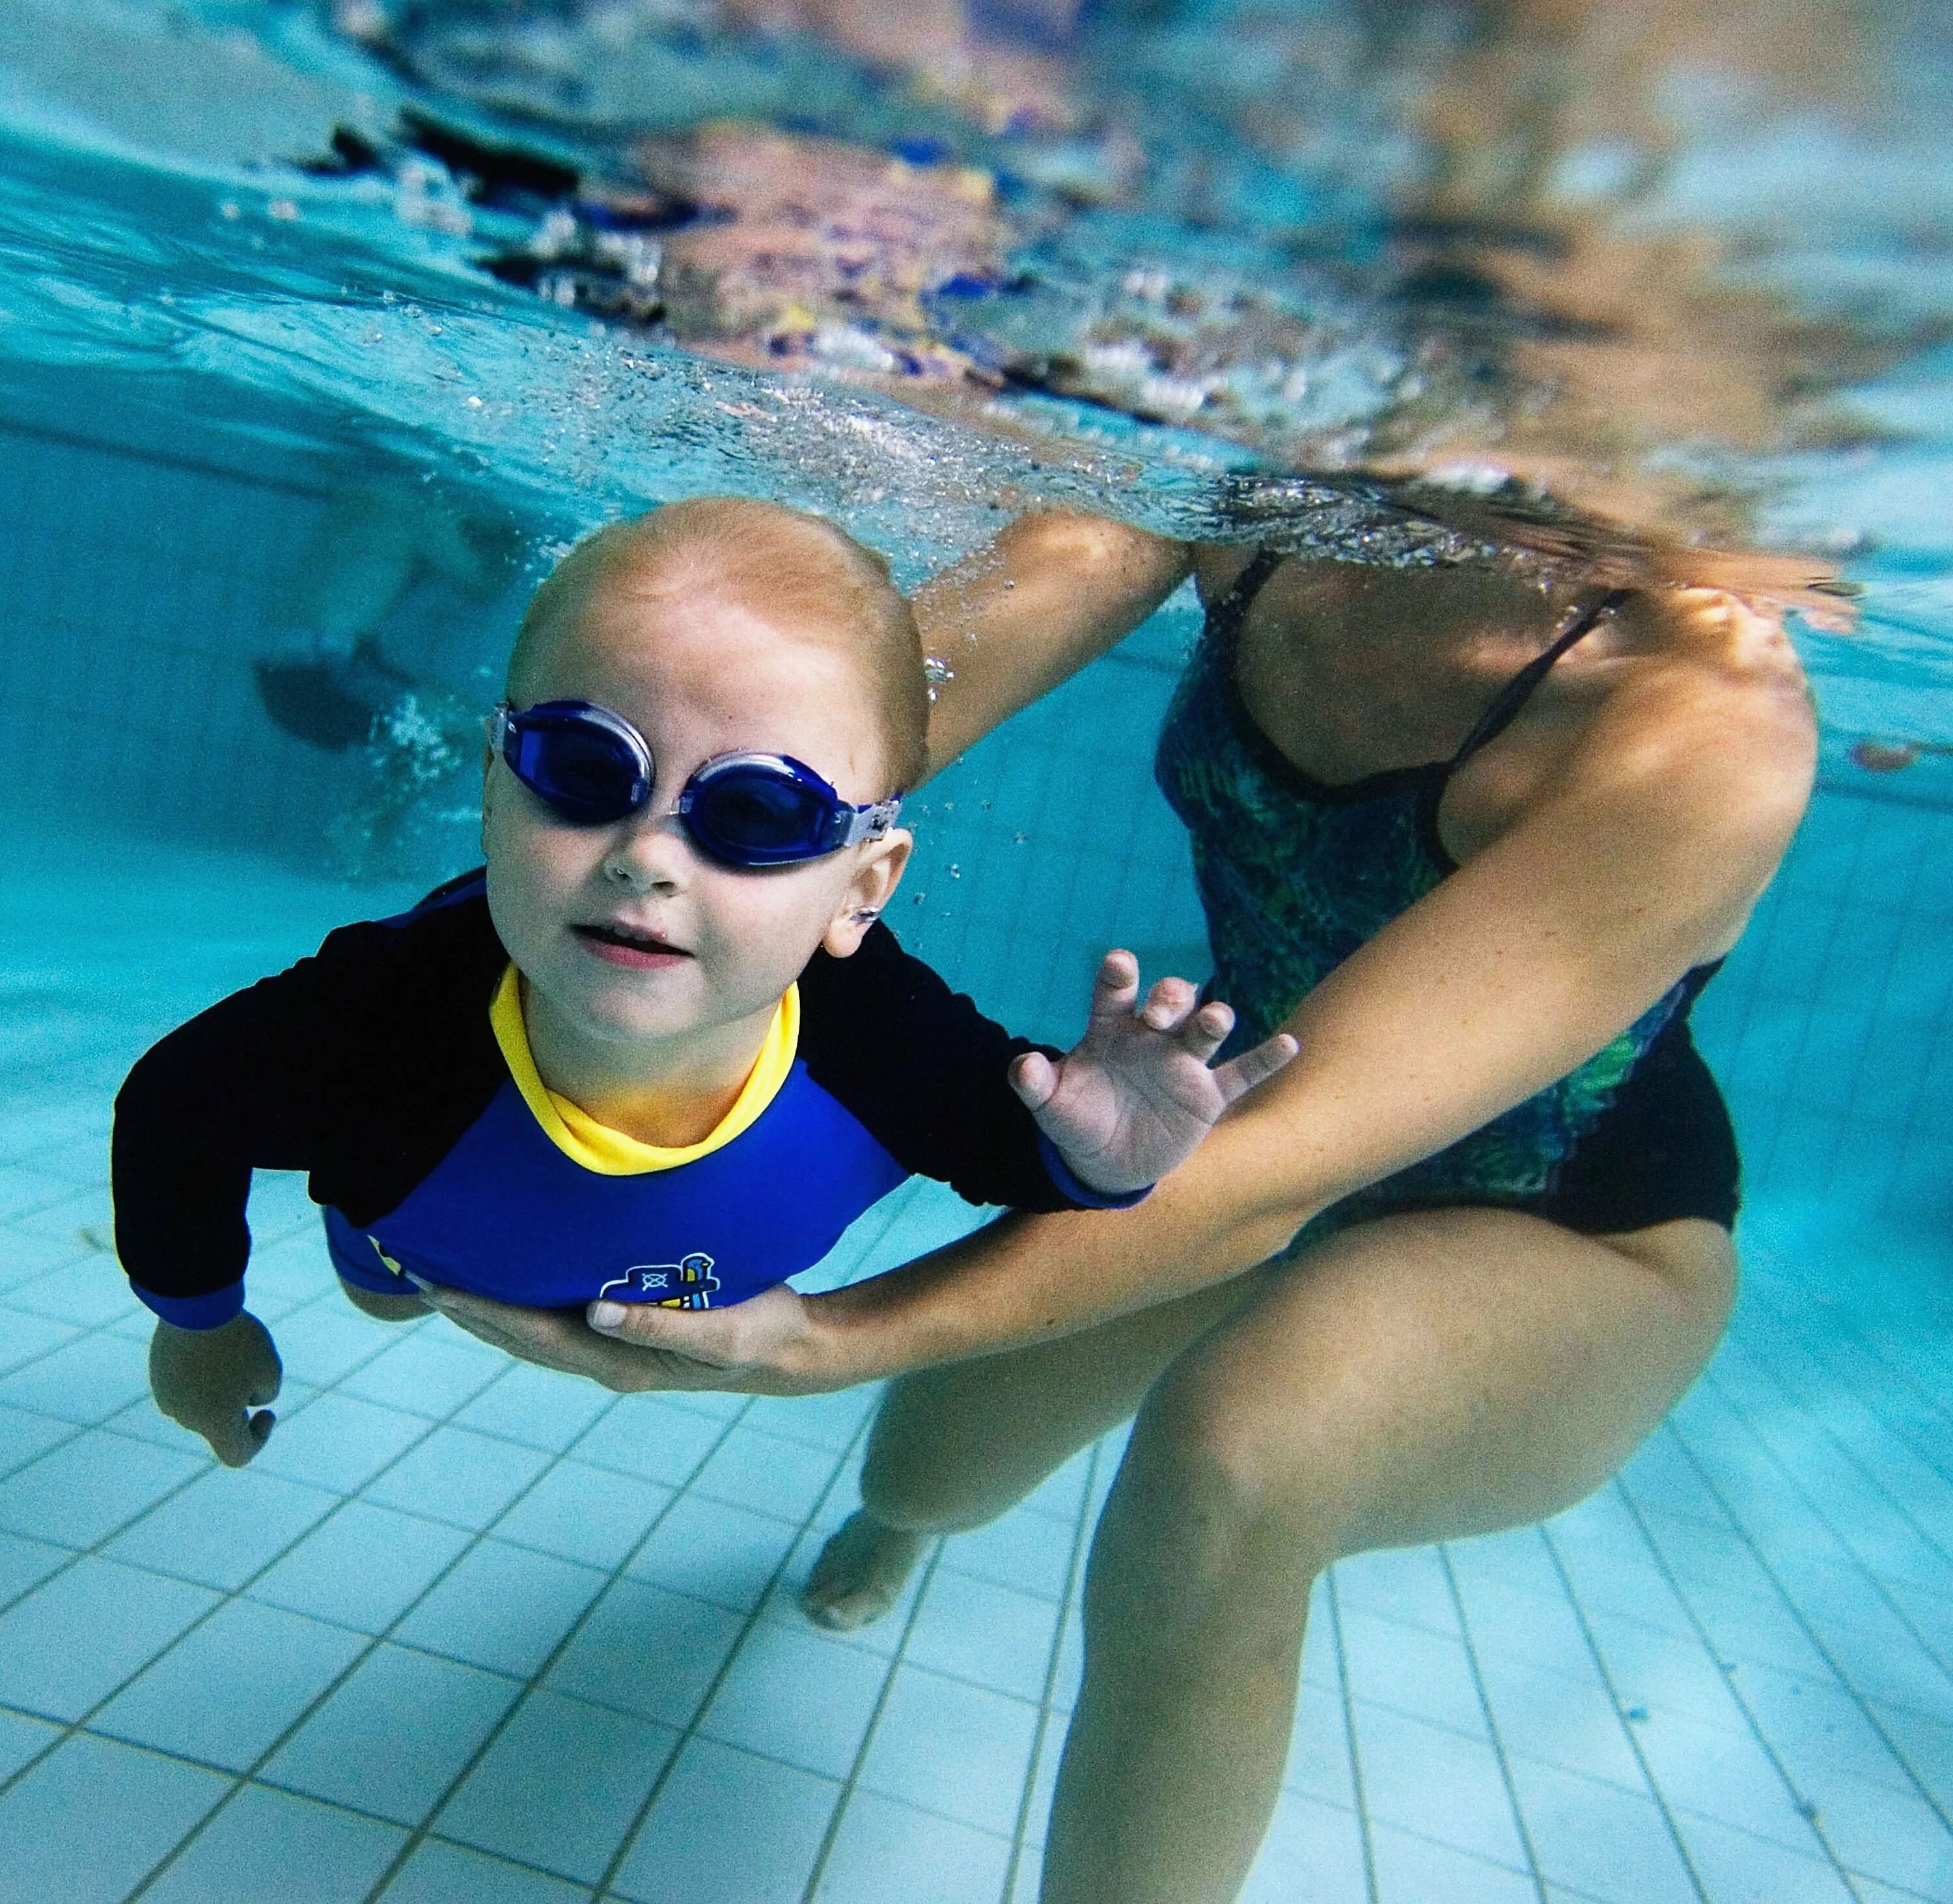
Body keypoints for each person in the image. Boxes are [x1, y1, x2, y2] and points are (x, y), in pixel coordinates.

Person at [413, 507, 1816, 1904]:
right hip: (1224, 1134)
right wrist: (483, 1003)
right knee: (927, 1464)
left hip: (1569, 1222)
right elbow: (801, 743)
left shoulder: (1703, 723)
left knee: (1235, 1459)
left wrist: (822, 1337)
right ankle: (895, 1528)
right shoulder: (1263, 505)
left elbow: (1282, 1172)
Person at [111, 499, 1294, 1469]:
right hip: (417, 1225)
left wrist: (1094, 1160)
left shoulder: (877, 1041)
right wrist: (198, 1321)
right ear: (492, 783)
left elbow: (1003, 1146)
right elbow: (174, 1111)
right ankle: (371, 1245)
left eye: (759, 813)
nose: (647, 854)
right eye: (583, 767)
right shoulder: (377, 1022)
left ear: (860, 889)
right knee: (385, 1293)